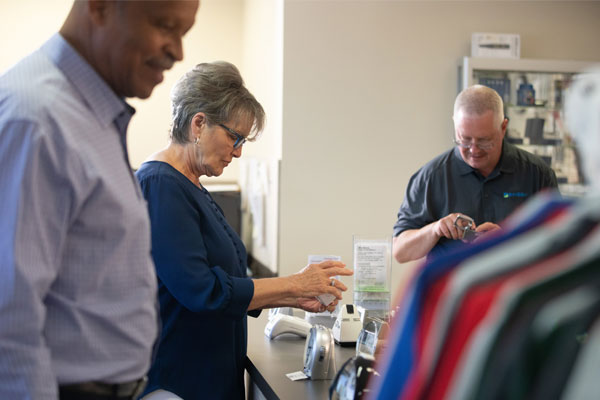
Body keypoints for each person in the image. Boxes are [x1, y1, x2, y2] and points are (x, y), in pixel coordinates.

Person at [0, 1, 199, 399]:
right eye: (164, 26)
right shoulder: (36, 119)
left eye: (184, 32)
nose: (178, 52)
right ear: (100, 6)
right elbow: (9, 323)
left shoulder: (90, 115)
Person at [135, 61, 353, 400]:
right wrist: (294, 284)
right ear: (199, 123)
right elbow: (203, 291)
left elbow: (228, 278)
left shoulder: (189, 185)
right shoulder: (161, 185)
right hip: (180, 381)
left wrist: (293, 293)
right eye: (234, 137)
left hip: (209, 374)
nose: (237, 152)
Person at [392, 85, 558, 263]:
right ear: (455, 128)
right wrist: (435, 229)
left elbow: (562, 245)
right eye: (465, 140)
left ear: (503, 128)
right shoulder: (431, 177)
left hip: (516, 287)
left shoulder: (537, 174)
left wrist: (508, 238)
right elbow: (400, 252)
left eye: (484, 141)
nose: (474, 150)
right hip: (453, 289)